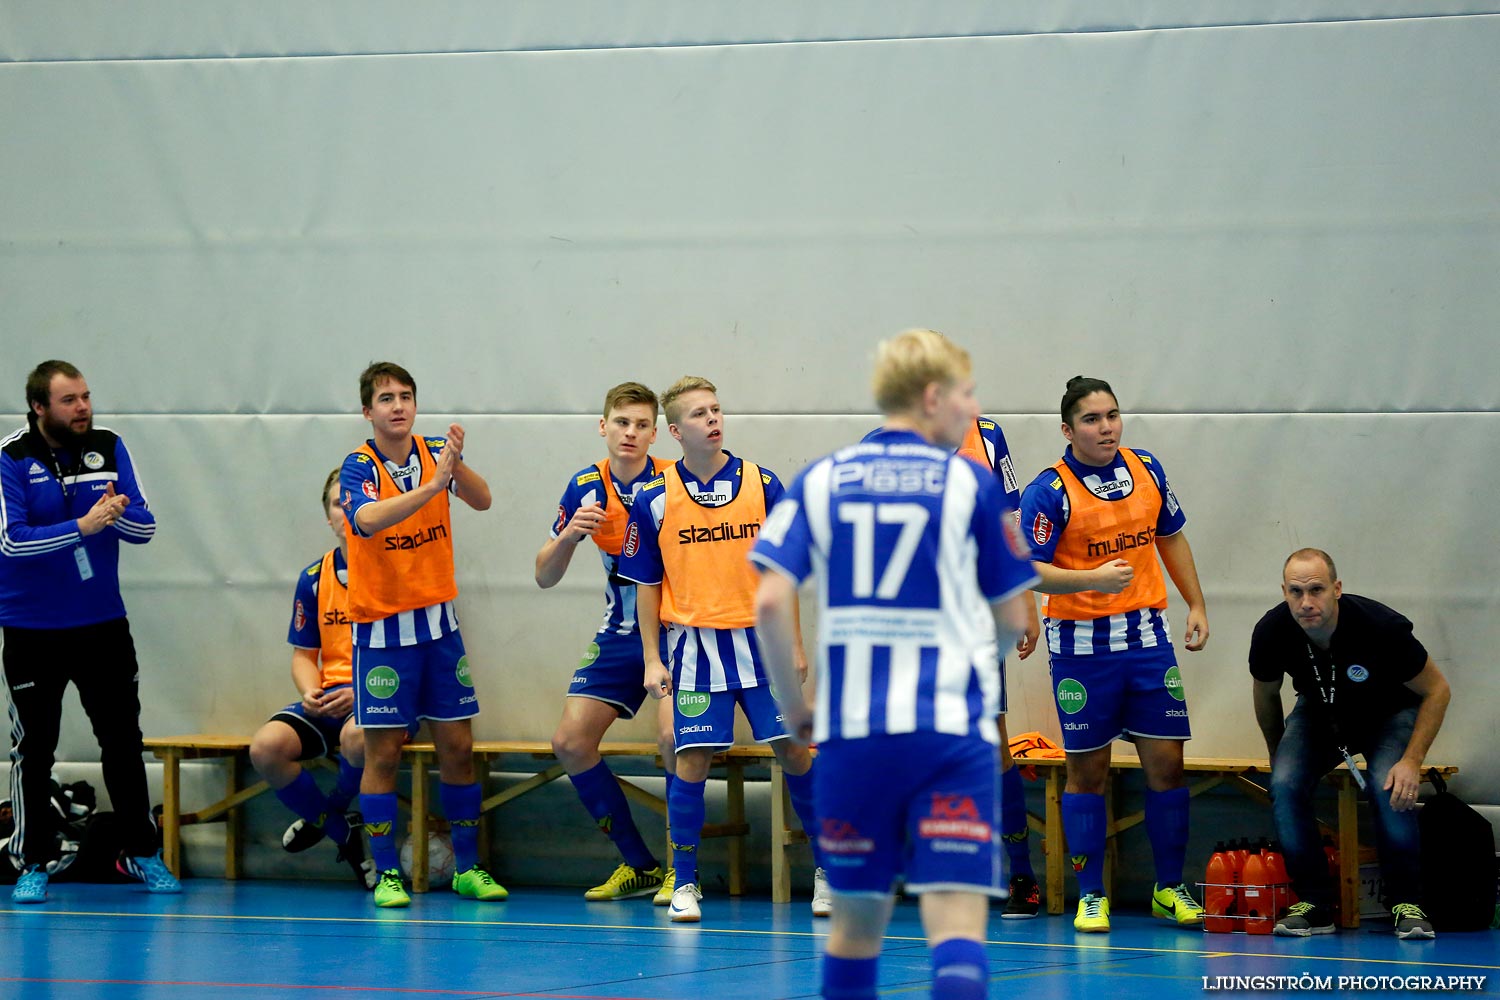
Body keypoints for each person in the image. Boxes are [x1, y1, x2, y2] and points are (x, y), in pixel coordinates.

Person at [752, 329, 1037, 1000]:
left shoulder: (822, 477)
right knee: (958, 925)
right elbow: (1016, 618)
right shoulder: (969, 481)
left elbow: (768, 599)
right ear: (932, 396)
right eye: (967, 395)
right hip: (948, 733)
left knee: (854, 926)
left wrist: (794, 707)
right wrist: (975, 667)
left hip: (852, 738)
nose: (973, 411)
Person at [618, 376, 828, 922]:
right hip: (694, 649)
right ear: (675, 431)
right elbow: (646, 583)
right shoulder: (654, 498)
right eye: (698, 414)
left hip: (763, 648)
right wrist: (650, 657)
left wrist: (797, 646)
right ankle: (684, 883)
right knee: (690, 762)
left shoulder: (764, 483)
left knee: (796, 753)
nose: (712, 419)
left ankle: (828, 874)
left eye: (716, 409)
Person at [1018, 376, 1209, 933]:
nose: (1105, 428)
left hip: (1148, 639)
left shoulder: (1147, 467)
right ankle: (1092, 895)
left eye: (1112, 416)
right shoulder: (1049, 490)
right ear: (1067, 429)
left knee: (1167, 765)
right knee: (1088, 772)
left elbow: (1170, 536)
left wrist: (1195, 603)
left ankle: (1168, 888)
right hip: (1081, 648)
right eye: (1092, 419)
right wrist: (1091, 578)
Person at [1, 360, 181, 903]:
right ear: (39, 408)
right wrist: (82, 526)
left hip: (102, 625)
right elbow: (13, 541)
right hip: (32, 630)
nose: (83, 407)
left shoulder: (109, 445)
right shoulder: (11, 457)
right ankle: (33, 859)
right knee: (35, 750)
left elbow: (145, 527)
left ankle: (143, 854)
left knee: (123, 743)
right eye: (69, 400)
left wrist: (117, 513)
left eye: (85, 396)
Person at [339, 361, 503, 909]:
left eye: (406, 396)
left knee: (458, 746)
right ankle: (388, 874)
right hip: (383, 634)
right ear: (368, 411)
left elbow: (481, 500)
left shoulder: (435, 454)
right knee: (383, 755)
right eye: (386, 398)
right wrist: (433, 485)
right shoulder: (357, 465)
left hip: (439, 628)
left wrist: (455, 467)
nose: (398, 406)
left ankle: (467, 868)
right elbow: (366, 520)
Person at [1250, 548, 1449, 940]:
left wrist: (1411, 760)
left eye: (1317, 590)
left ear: (1337, 589)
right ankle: (1314, 904)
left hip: (1390, 713)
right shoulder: (1272, 630)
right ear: (1284, 592)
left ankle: (1407, 902)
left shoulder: (1380, 626)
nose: (1306, 602)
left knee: (1388, 785)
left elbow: (1438, 690)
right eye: (1295, 592)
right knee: (1286, 784)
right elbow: (1265, 694)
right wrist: (1279, 755)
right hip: (1320, 712)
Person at [535, 382, 676, 903]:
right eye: (622, 422)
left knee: (671, 741)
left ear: (655, 433)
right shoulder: (584, 486)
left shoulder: (674, 481)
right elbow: (543, 577)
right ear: (603, 426)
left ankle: (683, 873)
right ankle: (638, 864)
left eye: (641, 425)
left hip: (679, 632)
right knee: (570, 742)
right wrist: (570, 533)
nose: (630, 433)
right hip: (619, 632)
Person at [248, 469, 375, 889]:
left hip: (382, 696)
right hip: (329, 698)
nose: (346, 510)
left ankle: (334, 808)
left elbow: (414, 655)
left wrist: (361, 693)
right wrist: (309, 691)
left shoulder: (396, 573)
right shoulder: (314, 578)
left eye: (354, 501)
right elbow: (304, 656)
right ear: (328, 516)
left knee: (357, 737)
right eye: (338, 503)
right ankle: (341, 829)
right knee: (265, 748)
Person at [955, 416, 1044, 918]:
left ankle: (1021, 874)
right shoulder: (885, 443)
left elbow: (1010, 518)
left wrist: (1025, 603)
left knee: (992, 742)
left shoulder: (986, 435)